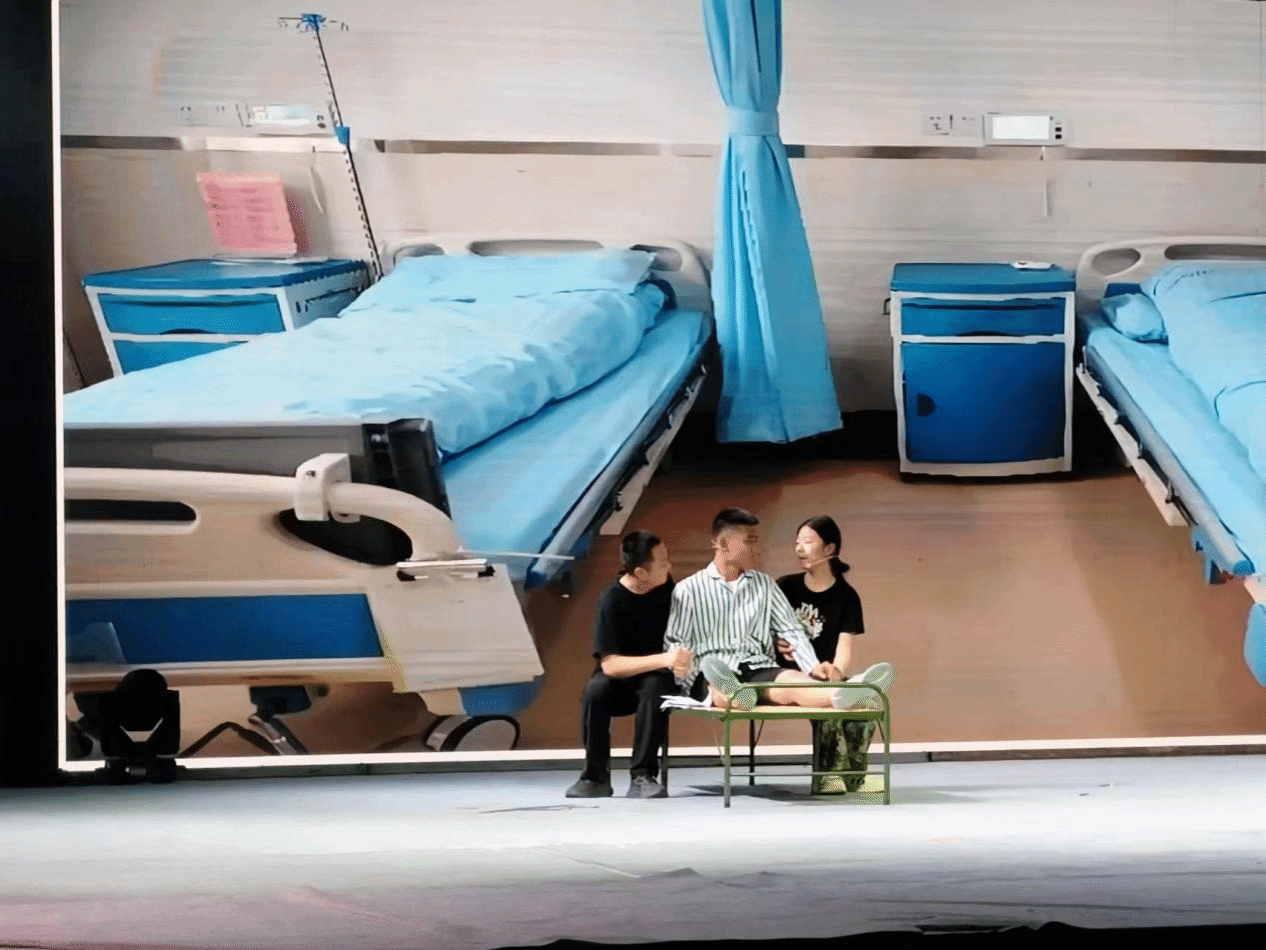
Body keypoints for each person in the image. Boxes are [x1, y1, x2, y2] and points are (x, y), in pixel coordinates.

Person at [663, 508, 893, 713]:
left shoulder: (765, 585)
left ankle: (852, 691)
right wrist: (686, 680)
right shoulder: (688, 589)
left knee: (795, 683)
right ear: (723, 544)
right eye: (750, 541)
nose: (757, 548)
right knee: (721, 691)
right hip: (711, 672)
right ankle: (735, 695)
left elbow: (791, 631)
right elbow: (676, 644)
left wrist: (813, 667)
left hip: (758, 669)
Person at [566, 530, 691, 800]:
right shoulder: (612, 600)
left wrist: (680, 661)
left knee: (655, 687)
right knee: (595, 692)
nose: (669, 567)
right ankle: (594, 776)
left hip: (657, 678)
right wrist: (664, 658)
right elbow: (610, 665)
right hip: (621, 680)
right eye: (662, 563)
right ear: (641, 572)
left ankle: (643, 775)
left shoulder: (667, 589)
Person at [774, 515, 891, 794]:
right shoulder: (785, 587)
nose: (799, 549)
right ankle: (827, 777)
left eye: (807, 542)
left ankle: (854, 778)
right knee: (830, 700)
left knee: (867, 704)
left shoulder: (846, 596)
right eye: (797, 543)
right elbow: (765, 632)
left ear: (829, 549)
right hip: (788, 675)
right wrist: (775, 643)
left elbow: (844, 649)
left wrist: (836, 671)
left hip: (825, 674)